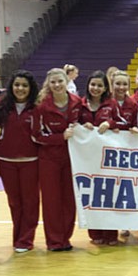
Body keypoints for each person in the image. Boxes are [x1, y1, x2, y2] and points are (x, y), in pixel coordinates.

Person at [33, 68, 82, 251]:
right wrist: (60, 137)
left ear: (66, 81)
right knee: (52, 201)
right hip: (49, 159)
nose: (57, 85)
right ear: (48, 84)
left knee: (69, 200)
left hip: (72, 159)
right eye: (53, 82)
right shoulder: (41, 105)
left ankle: (66, 238)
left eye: (60, 81)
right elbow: (36, 135)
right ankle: (54, 241)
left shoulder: (77, 102)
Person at [0, 70, 40, 253]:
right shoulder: (2, 106)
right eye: (17, 85)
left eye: (24, 85)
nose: (20, 88)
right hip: (6, 162)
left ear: (31, 88)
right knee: (14, 201)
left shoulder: (37, 108)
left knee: (31, 201)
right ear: (11, 87)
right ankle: (17, 237)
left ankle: (26, 240)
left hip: (31, 161)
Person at [77, 71, 121, 246]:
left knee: (110, 195)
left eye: (99, 85)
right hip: (87, 160)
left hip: (108, 159)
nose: (96, 88)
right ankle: (95, 232)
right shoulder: (80, 105)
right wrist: (82, 125)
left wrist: (110, 124)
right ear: (88, 86)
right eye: (93, 84)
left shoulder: (112, 104)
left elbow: (122, 122)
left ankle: (111, 234)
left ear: (105, 88)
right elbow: (73, 123)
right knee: (91, 195)